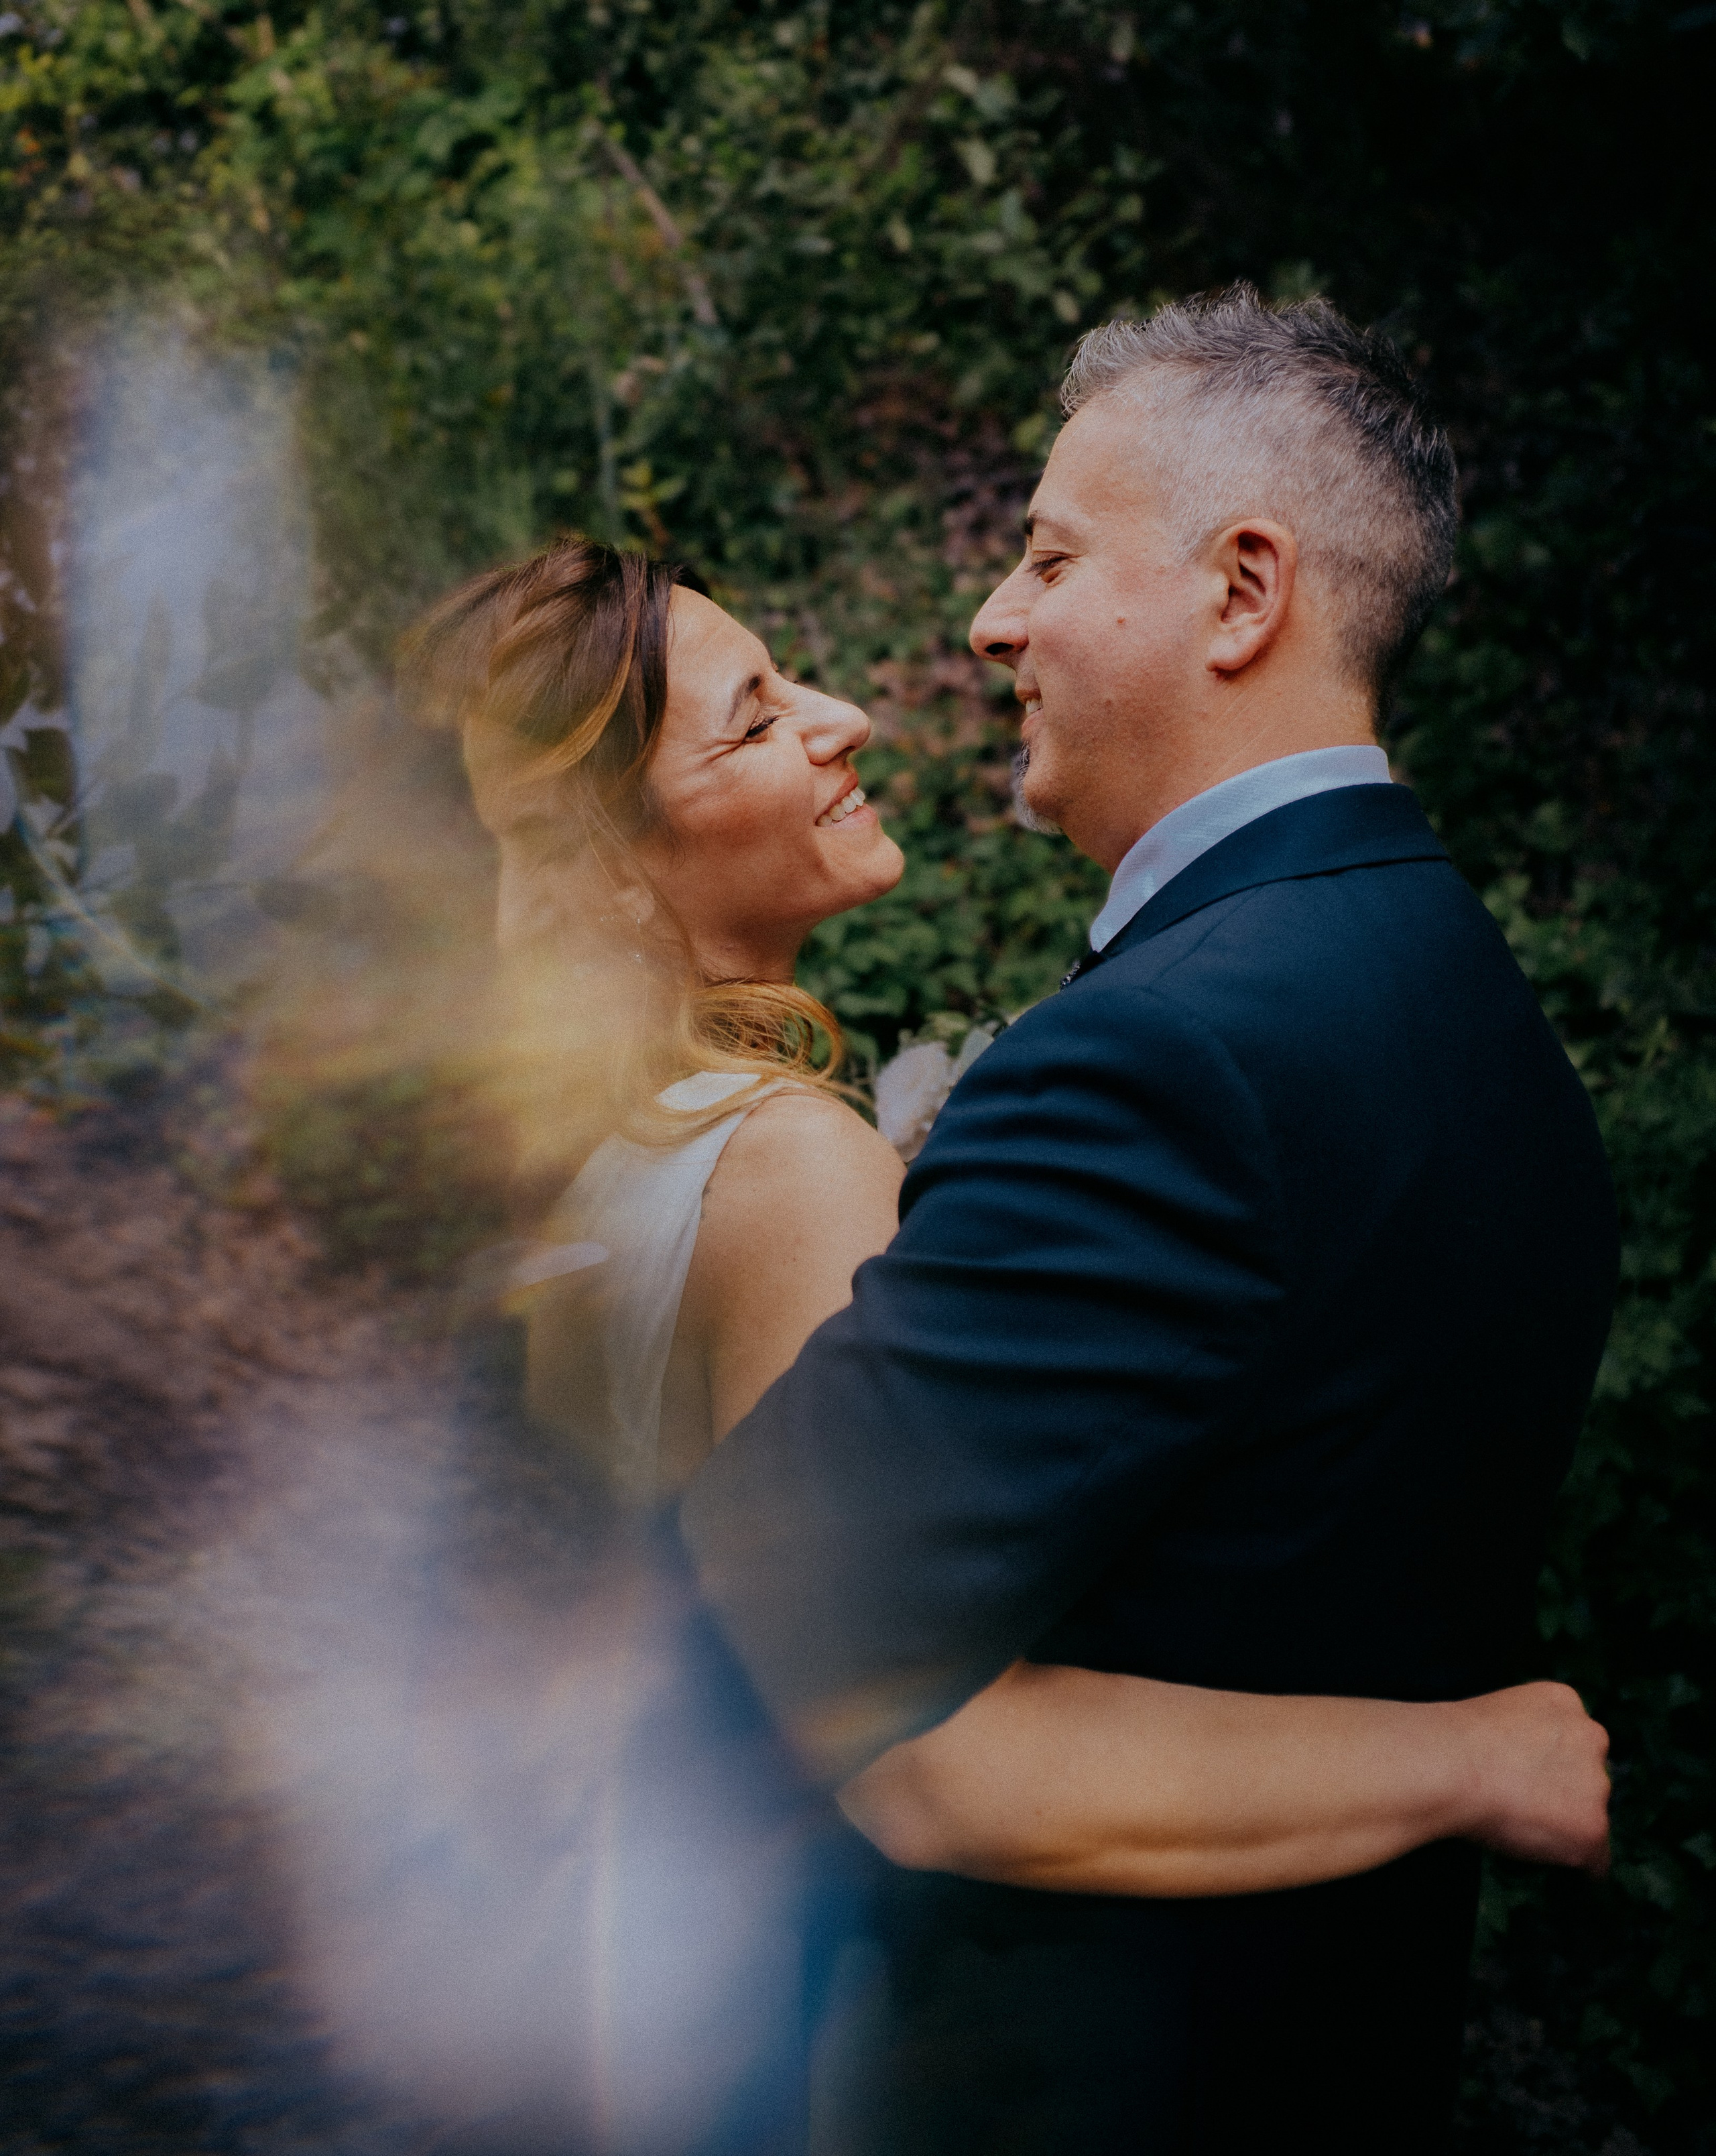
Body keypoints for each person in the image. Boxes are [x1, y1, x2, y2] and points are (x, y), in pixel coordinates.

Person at [404, 474, 1610, 2149]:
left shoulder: (577, 1167)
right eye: (753, 723)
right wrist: (1471, 1759)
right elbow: (921, 1754)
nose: (845, 719)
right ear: (615, 877)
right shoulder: (783, 1171)